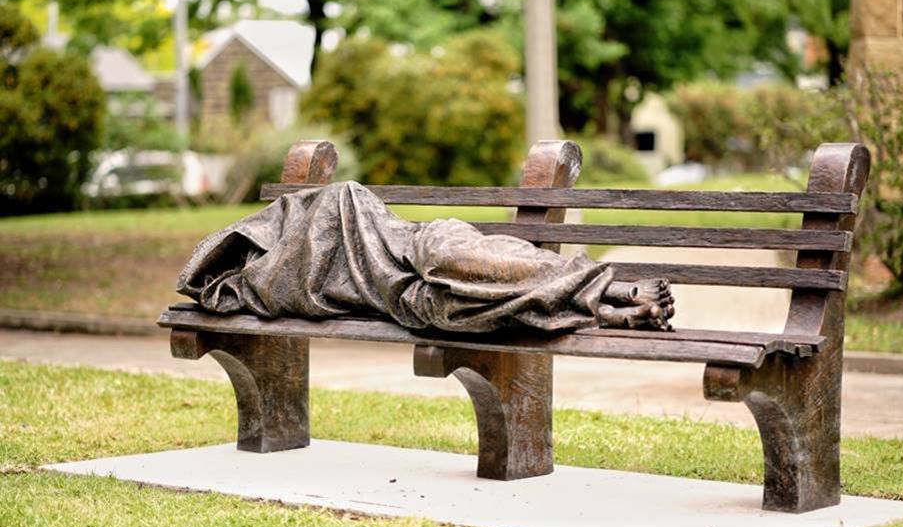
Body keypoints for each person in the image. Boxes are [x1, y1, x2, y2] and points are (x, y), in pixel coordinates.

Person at [178, 181, 675, 333]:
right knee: (453, 308)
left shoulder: (301, 212)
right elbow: (207, 283)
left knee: (454, 266)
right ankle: (603, 312)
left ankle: (601, 286)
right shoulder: (268, 287)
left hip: (417, 244)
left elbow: (349, 201)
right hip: (397, 296)